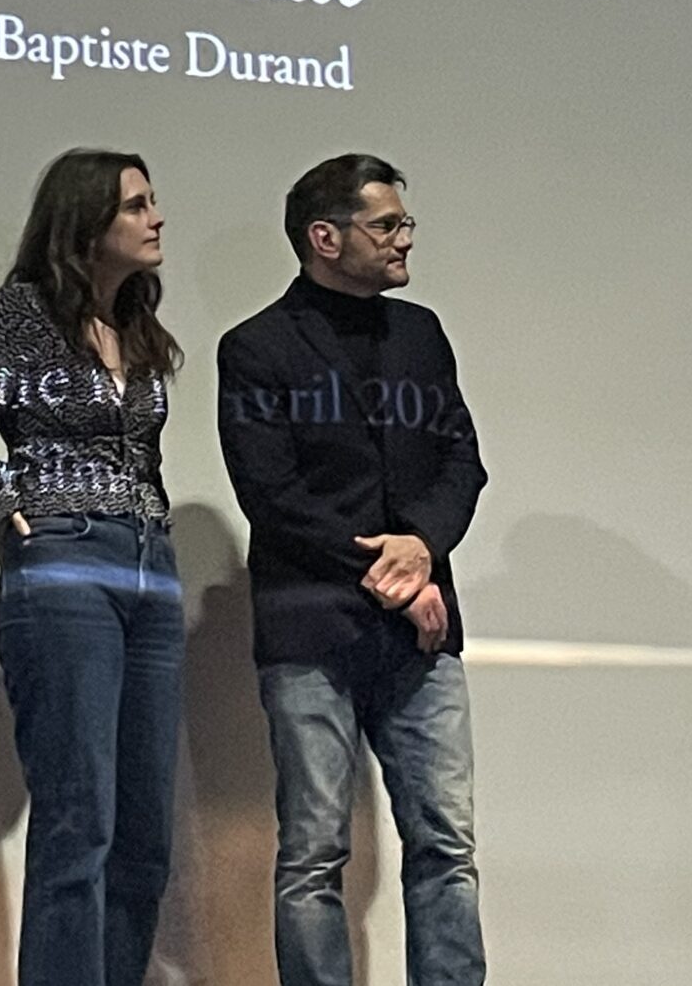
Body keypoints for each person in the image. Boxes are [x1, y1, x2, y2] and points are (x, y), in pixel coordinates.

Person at [0, 150, 183, 986]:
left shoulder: (134, 321)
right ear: (85, 224)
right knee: (78, 823)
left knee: (143, 836)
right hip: (65, 567)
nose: (156, 217)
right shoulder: (23, 315)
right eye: (136, 204)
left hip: (151, 567)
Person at [216, 154, 489, 986]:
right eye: (387, 224)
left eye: (405, 223)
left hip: (422, 634)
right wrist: (397, 575)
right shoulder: (256, 347)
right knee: (314, 849)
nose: (405, 238)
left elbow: (462, 461)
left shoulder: (421, 333)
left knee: (446, 843)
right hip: (311, 625)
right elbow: (273, 494)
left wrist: (422, 546)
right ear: (324, 238)